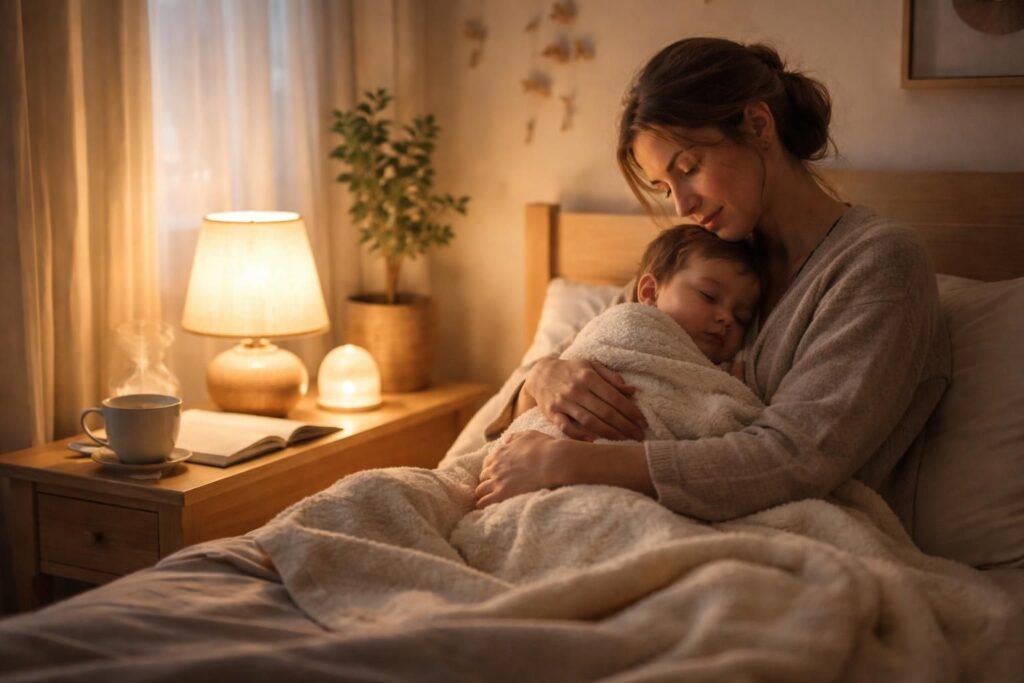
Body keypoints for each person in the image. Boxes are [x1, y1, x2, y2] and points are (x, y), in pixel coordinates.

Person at [476, 37, 950, 528]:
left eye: (689, 169)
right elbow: (614, 339)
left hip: (784, 537)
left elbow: (796, 458)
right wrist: (545, 374)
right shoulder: (710, 260)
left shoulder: (879, 263)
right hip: (615, 513)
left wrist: (568, 463)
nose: (681, 206)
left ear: (759, 125)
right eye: (664, 187)